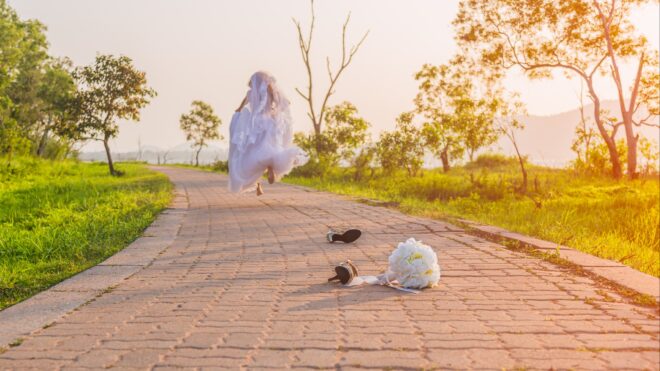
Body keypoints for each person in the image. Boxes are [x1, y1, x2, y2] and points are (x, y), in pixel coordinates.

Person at [228, 71, 307, 196]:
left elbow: (241, 107)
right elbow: (285, 102)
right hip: (270, 122)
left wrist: (238, 113)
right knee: (271, 148)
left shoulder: (250, 94)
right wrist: (274, 110)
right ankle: (270, 168)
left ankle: (258, 184)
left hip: (256, 125)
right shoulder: (272, 92)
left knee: (252, 153)